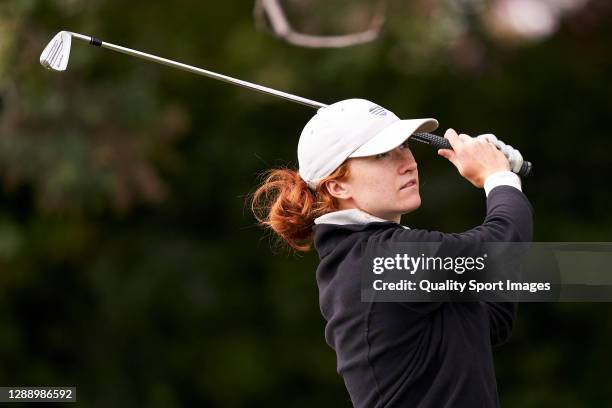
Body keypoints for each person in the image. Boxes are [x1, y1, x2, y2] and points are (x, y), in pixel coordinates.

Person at [251, 98, 533, 407]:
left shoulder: (369, 256)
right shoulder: (380, 262)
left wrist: (500, 176)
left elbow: (492, 319)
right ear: (338, 187)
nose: (408, 162)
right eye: (383, 154)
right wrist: (498, 179)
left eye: (404, 146)